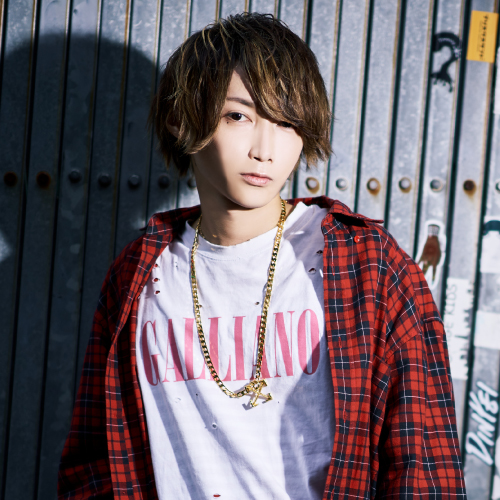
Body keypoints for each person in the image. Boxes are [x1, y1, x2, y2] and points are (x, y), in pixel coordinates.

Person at [58, 12, 466, 499]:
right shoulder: (139, 275)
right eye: (239, 116)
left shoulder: (367, 269)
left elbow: (424, 466)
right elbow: (95, 463)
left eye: (287, 122)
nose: (265, 150)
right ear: (180, 118)